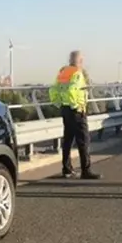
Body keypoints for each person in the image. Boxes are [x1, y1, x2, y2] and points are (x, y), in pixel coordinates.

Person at [49, 51, 100, 179]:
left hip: (65, 110)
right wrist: (76, 105)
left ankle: (66, 169)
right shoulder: (77, 73)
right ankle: (86, 170)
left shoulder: (63, 72)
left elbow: (53, 89)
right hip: (76, 111)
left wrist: (58, 103)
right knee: (83, 140)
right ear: (80, 61)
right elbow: (73, 89)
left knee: (68, 139)